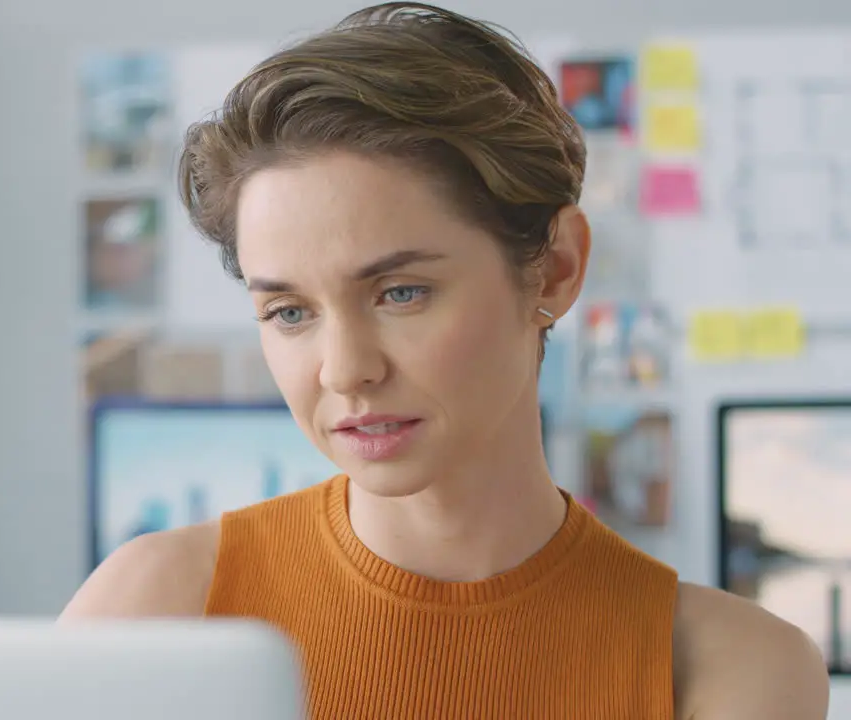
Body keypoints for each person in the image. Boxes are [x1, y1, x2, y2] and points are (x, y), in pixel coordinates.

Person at [60, 4, 830, 718]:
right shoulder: (157, 606)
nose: (344, 370)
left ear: (555, 269)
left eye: (400, 293)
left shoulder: (725, 668)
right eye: (290, 312)